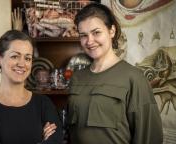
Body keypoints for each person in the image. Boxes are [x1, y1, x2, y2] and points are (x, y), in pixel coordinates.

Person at [67, 3, 163, 144]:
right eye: (83, 35)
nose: (89, 41)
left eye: (96, 32)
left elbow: (149, 136)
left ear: (111, 31)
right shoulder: (77, 78)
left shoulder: (134, 78)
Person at [0, 30, 63, 144]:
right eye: (15, 56)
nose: (22, 64)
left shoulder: (43, 103)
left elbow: (56, 141)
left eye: (27, 58)